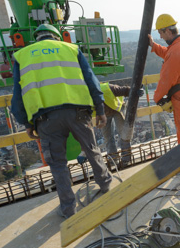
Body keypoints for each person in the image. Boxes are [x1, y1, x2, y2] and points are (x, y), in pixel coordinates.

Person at [11, 23, 113, 219]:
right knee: (92, 150)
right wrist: (100, 110)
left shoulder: (22, 56)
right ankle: (106, 184)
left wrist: (27, 123)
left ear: (36, 38)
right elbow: (91, 80)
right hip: (78, 112)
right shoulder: (71, 49)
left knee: (58, 164)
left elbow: (18, 95)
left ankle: (68, 208)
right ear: (58, 37)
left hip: (45, 118)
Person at [148, 14, 180, 145]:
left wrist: (157, 97)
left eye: (161, 33)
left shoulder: (177, 49)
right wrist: (153, 45)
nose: (160, 36)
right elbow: (168, 53)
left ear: (168, 31)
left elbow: (167, 78)